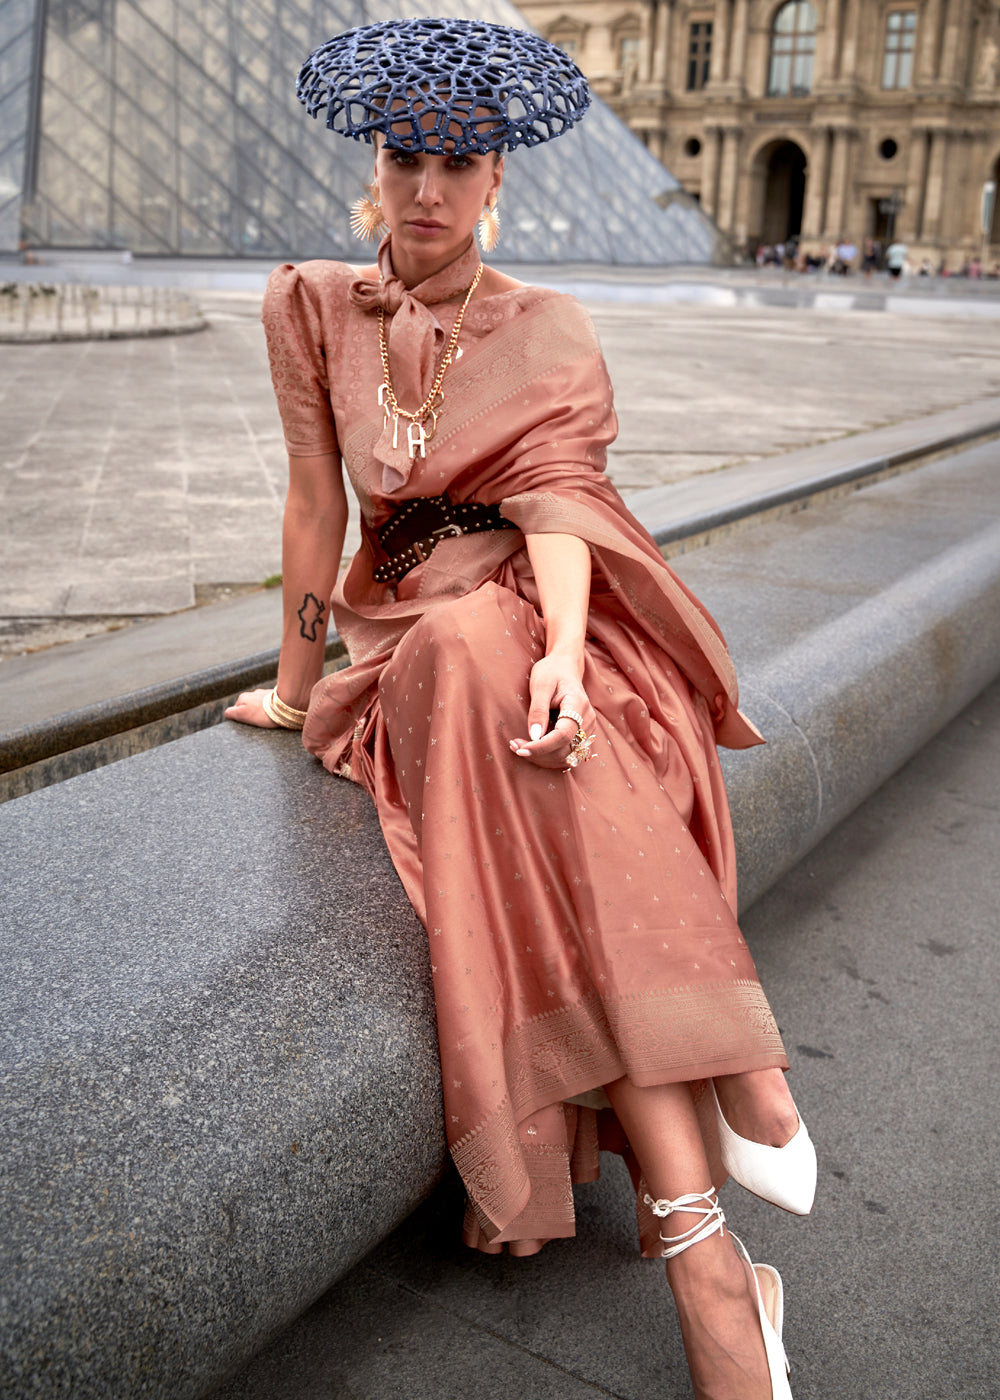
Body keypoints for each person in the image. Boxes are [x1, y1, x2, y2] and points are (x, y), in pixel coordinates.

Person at [226, 19, 815, 1398]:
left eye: (458, 160)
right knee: (465, 669)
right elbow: (318, 507)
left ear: (500, 180)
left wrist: (560, 648)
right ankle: (732, 1096)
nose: (427, 187)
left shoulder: (548, 324)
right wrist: (296, 682)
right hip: (397, 648)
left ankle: (705, 1255)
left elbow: (557, 496)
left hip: (538, 622)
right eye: (404, 156)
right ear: (373, 169)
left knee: (512, 686)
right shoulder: (307, 302)